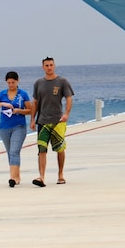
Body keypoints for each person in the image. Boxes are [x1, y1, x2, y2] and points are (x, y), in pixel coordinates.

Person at [30, 57, 74, 187]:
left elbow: (69, 98)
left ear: (54, 66)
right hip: (43, 121)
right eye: (46, 65)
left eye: (51, 65)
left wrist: (66, 113)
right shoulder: (38, 83)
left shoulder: (62, 81)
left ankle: (60, 174)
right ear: (43, 67)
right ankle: (41, 177)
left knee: (60, 149)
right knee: (41, 149)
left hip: (58, 121)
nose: (49, 67)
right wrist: (32, 119)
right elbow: (35, 103)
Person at [0, 70, 33, 187]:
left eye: (13, 82)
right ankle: (17, 176)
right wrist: (2, 104)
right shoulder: (2, 94)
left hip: (19, 126)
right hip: (4, 128)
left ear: (17, 81)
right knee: (10, 153)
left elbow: (31, 110)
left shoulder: (23, 94)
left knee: (14, 151)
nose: (11, 85)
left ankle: (12, 178)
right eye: (9, 83)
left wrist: (19, 110)